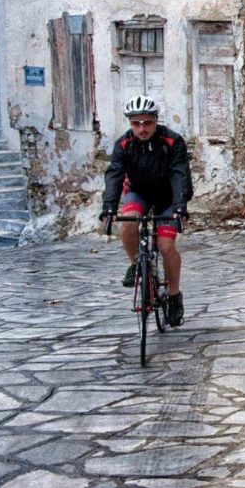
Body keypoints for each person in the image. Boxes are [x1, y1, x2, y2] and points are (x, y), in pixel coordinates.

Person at [100, 95, 193, 326]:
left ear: (155, 120)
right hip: (139, 192)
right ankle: (135, 265)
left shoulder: (172, 141)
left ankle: (173, 295)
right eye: (136, 123)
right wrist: (109, 207)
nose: (142, 129)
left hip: (168, 197)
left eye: (147, 123)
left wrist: (180, 206)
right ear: (130, 124)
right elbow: (114, 175)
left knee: (165, 246)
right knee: (128, 222)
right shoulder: (123, 144)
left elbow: (180, 173)